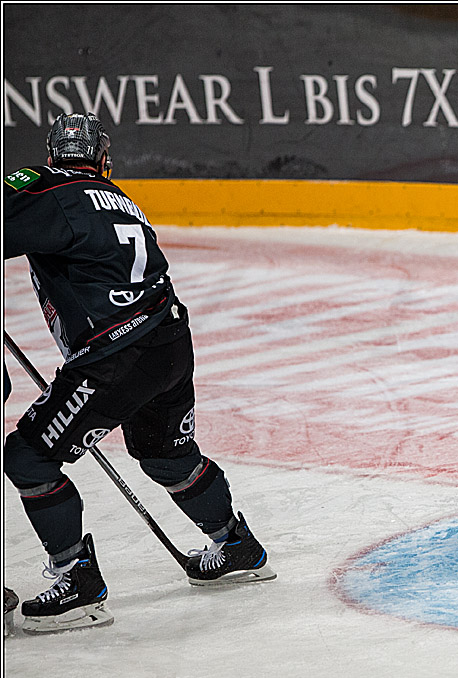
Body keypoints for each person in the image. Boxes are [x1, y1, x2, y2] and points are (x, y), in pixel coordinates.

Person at [3, 112, 275, 634]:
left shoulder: (44, 187)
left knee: (30, 458)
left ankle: (77, 582)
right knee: (165, 454)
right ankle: (235, 544)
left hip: (115, 357)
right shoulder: (121, 198)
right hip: (169, 340)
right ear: (101, 157)